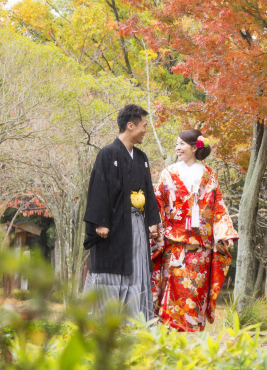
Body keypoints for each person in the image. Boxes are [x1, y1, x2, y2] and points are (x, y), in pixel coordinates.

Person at [151, 129, 238, 332]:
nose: (177, 148)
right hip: (174, 242)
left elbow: (218, 206)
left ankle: (192, 331)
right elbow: (157, 201)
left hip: (200, 246)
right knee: (173, 286)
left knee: (196, 289)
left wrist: (224, 233)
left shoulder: (209, 174)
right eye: (176, 144)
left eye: (181, 144)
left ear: (194, 147)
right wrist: (153, 225)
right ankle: (168, 329)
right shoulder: (168, 173)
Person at [83, 104, 161, 322]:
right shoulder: (107, 154)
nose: (146, 130)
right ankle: (105, 325)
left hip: (137, 225)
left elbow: (149, 190)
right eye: (144, 125)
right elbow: (99, 188)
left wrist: (153, 220)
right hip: (114, 225)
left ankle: (135, 324)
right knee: (112, 270)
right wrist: (100, 222)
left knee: (137, 271)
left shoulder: (142, 158)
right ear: (130, 126)